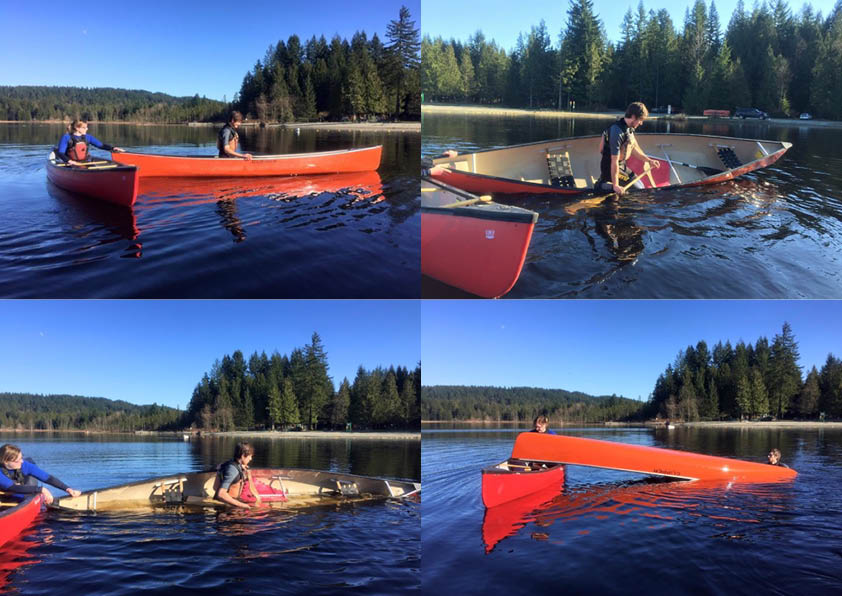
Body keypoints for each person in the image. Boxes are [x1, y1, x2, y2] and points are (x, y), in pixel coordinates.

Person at [595, 102, 660, 196]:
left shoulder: (629, 129)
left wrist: (649, 161)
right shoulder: (617, 132)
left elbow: (634, 149)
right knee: (636, 191)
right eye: (640, 120)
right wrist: (616, 185)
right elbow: (613, 160)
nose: (641, 123)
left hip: (622, 166)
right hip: (610, 167)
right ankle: (601, 185)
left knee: (640, 186)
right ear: (633, 117)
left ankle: (606, 182)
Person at [0, 444, 81, 505]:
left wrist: (67, 489)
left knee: (31, 480)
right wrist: (41, 489)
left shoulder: (24, 464)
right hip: (8, 490)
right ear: (6, 462)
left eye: (21, 457)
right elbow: (12, 487)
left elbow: (47, 478)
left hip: (20, 487)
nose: (22, 461)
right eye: (18, 460)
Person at [214, 442, 286, 509]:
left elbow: (215, 487)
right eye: (250, 456)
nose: (251, 459)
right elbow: (221, 494)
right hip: (228, 508)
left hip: (233, 504)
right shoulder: (233, 470)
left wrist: (248, 475)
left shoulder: (233, 464)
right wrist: (244, 506)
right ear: (243, 456)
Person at [56, 119, 126, 165]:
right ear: (77, 128)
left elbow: (101, 145)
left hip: (85, 162)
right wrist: (69, 161)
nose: (87, 129)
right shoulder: (66, 137)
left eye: (87, 127)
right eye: (84, 127)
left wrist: (113, 148)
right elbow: (60, 153)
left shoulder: (88, 137)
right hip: (70, 163)